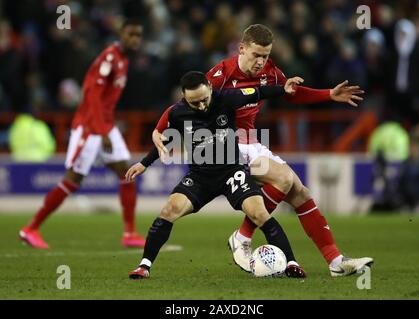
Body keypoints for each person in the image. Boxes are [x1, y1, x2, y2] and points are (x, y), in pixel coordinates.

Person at [142, 24, 373, 277]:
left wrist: (328, 94)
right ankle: (243, 236)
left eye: (266, 55)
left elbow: (291, 94)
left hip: (250, 141)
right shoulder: (220, 75)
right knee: (283, 178)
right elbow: (184, 104)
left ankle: (335, 260)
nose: (261, 61)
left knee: (299, 191)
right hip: (224, 144)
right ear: (242, 49)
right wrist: (160, 128)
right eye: (256, 55)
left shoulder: (270, 72)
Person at [127, 71, 307, 279]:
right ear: (184, 98)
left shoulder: (228, 97)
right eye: (195, 103)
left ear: (210, 89)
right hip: (200, 177)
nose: (202, 106)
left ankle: (292, 263)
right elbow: (165, 140)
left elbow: (258, 92)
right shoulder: (176, 113)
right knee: (169, 209)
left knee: (259, 213)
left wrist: (282, 89)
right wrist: (144, 163)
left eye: (204, 100)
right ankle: (144, 266)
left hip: (231, 172)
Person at [19, 19, 146, 249]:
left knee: (127, 172)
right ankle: (30, 228)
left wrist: (107, 127)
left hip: (105, 126)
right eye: (131, 35)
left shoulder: (123, 60)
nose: (135, 39)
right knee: (73, 180)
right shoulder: (109, 58)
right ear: (121, 34)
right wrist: (100, 130)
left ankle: (130, 233)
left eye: (138, 35)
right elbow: (91, 95)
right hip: (90, 127)